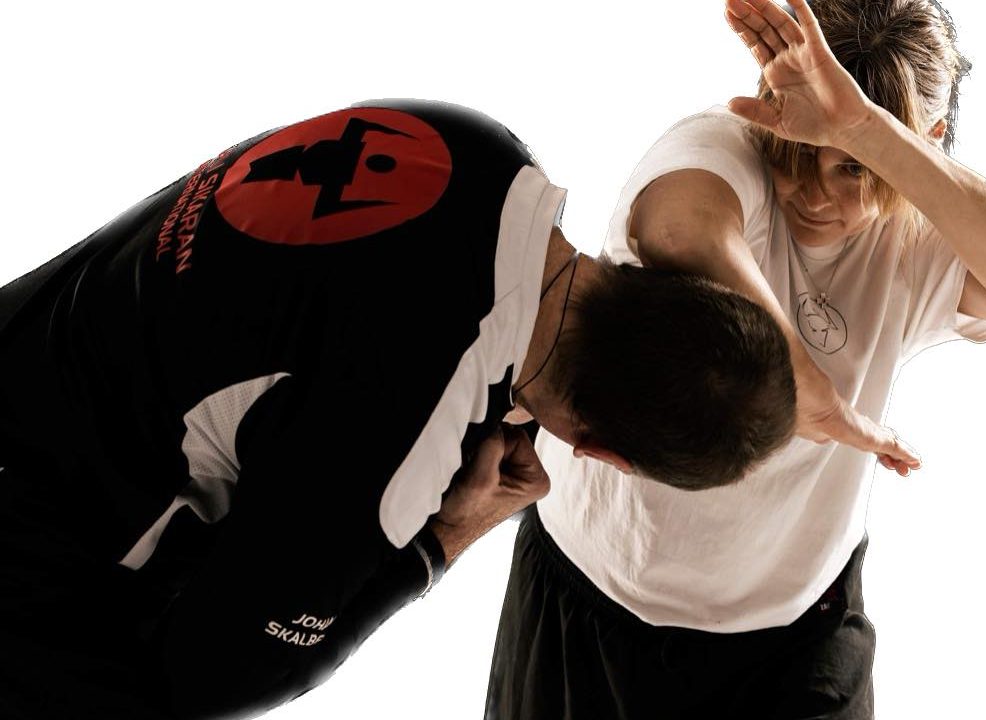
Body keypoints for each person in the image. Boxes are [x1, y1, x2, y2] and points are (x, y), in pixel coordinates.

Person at [0, 98, 796, 719]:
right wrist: (439, 543)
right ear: (599, 453)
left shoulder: (485, 148)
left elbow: (382, 305)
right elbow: (208, 679)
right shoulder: (397, 443)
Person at [486, 1, 986, 718]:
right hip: (591, 592)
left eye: (851, 169)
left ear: (919, 141)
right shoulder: (720, 141)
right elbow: (680, 229)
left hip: (797, 637)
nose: (814, 193)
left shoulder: (914, 241)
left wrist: (865, 128)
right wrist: (803, 383)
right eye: (796, 155)